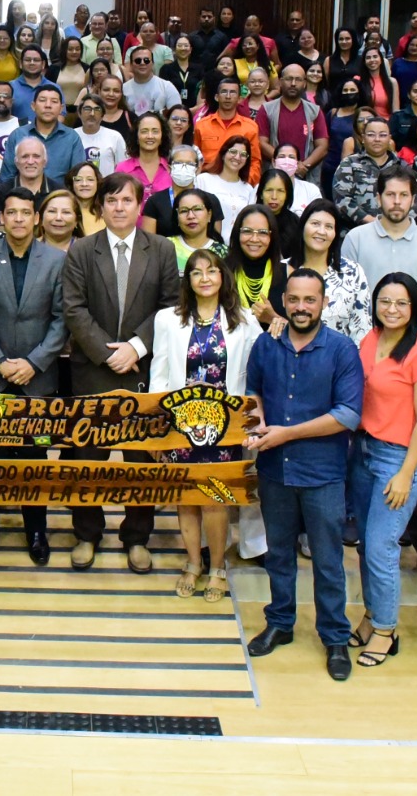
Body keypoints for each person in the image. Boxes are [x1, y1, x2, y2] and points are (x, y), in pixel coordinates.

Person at [242, 269, 365, 680]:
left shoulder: (343, 350)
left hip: (323, 474)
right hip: (275, 471)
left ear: (324, 303)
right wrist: (258, 421)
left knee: (329, 562)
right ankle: (280, 622)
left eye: (309, 300)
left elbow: (347, 415)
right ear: (285, 300)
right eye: (293, 299)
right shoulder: (266, 343)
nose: (300, 307)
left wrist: (285, 434)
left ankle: (334, 637)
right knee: (278, 555)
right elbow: (252, 391)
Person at [61, 173, 181, 571]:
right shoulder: (82, 251)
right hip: (93, 369)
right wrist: (104, 352)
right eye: (110, 201)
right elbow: (74, 309)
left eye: (126, 200)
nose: (118, 207)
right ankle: (87, 533)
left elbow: (169, 306)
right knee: (87, 457)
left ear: (139, 204)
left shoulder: (162, 249)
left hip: (142, 369)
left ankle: (136, 536)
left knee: (140, 459)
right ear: (100, 206)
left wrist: (136, 347)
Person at [151, 249, 262, 602]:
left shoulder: (244, 320)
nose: (204, 278)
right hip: (180, 425)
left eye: (211, 271)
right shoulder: (167, 319)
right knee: (185, 496)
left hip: (225, 427)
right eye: (196, 272)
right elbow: (160, 374)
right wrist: (157, 431)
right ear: (188, 280)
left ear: (223, 276)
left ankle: (217, 567)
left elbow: (257, 372)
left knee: (215, 498)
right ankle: (193, 562)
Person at [0, 188, 67, 566]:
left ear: (36, 218)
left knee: (35, 455)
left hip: (38, 379)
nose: (20, 219)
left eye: (27, 213)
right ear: (1, 218)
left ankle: (36, 530)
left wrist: (34, 362)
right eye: (12, 213)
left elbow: (62, 321)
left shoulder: (56, 260)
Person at [347, 273, 417, 666]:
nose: (392, 309)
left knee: (383, 547)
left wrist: (405, 472)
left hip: (397, 459)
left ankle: (386, 630)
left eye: (401, 303)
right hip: (362, 451)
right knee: (367, 545)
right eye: (385, 301)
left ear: (414, 308)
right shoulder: (370, 339)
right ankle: (372, 614)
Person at [342, 169, 417, 324]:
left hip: (410, 339)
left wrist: (400, 334)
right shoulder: (355, 238)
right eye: (390, 194)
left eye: (404, 195)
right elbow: (347, 295)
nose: (397, 201)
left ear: (413, 200)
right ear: (378, 199)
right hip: (363, 338)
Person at [289, 199, 372, 343]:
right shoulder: (283, 269)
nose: (321, 231)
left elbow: (362, 331)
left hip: (340, 362)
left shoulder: (353, 272)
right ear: (303, 227)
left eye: (329, 226)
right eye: (315, 224)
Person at [333, 117, 409, 226]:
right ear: (363, 138)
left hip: (396, 230)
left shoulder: (402, 166)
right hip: (356, 231)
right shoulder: (349, 164)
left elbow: (415, 202)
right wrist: (371, 221)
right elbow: (341, 200)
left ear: (389, 139)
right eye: (371, 135)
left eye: (382, 135)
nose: (377, 139)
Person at [2, 84, 84, 182]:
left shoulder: (72, 137)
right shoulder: (18, 135)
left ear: (61, 108)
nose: (48, 105)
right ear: (33, 106)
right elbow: (7, 177)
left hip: (60, 196)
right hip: (23, 195)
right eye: (42, 100)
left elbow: (78, 176)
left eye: (54, 101)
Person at [194, 78, 262, 183]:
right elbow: (195, 159)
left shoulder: (250, 127)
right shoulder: (202, 125)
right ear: (217, 97)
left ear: (239, 99)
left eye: (233, 92)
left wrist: (245, 183)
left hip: (238, 183)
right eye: (224, 92)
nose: (228, 96)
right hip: (207, 182)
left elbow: (254, 162)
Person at [195, 135, 257, 240]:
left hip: (236, 247)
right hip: (208, 244)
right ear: (223, 154)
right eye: (233, 152)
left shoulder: (248, 189)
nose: (237, 157)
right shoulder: (203, 180)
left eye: (243, 154)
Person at [116, 111, 172, 204]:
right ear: (136, 137)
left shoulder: (171, 169)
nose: (150, 136)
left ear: (162, 137)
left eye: (155, 131)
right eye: (144, 131)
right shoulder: (122, 169)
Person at [167, 188, 227, 272]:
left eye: (197, 209)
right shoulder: (166, 247)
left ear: (209, 215)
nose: (191, 216)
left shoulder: (222, 251)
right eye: (183, 211)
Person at [75, 91, 128, 174]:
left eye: (97, 109)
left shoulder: (115, 137)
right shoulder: (71, 136)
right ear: (79, 113)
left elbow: (123, 170)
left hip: (108, 186)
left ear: (102, 115)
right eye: (87, 109)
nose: (92, 114)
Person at [122, 45, 182, 116]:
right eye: (138, 61)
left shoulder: (167, 87)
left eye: (146, 60)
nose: (142, 63)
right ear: (131, 65)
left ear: (152, 63)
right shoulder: (123, 89)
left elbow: (177, 115)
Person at [159, 34, 203, 107]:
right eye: (179, 45)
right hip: (172, 109)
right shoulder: (166, 69)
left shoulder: (199, 69)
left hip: (194, 110)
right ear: (174, 49)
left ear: (190, 49)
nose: (183, 48)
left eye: (186, 46)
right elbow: (162, 94)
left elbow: (202, 92)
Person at [67, 161, 106, 236]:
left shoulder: (106, 211)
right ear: (72, 184)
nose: (84, 184)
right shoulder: (64, 211)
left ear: (97, 183)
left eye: (90, 179)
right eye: (78, 180)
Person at [39, 188, 83, 253]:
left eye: (66, 212)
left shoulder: (88, 249)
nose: (58, 218)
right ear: (41, 218)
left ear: (76, 220)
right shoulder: (29, 247)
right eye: (52, 211)